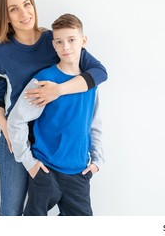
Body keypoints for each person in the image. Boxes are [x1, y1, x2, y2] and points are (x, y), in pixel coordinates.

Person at [0, 0, 108, 216]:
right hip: (17, 136)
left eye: (27, 4)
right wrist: (7, 128)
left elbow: (98, 73)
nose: (24, 13)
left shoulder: (57, 40)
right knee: (11, 210)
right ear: (6, 17)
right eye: (14, 9)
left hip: (54, 142)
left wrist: (58, 90)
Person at [7, 13, 103, 216]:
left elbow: (94, 124)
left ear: (83, 41)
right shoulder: (44, 80)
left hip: (79, 173)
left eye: (71, 40)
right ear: (53, 45)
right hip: (46, 172)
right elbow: (16, 121)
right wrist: (29, 163)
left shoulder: (89, 83)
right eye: (59, 42)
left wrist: (97, 161)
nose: (66, 47)